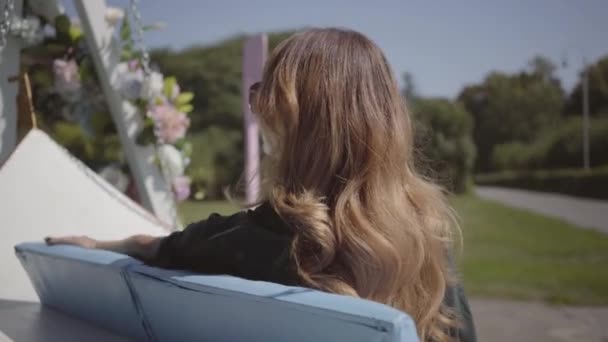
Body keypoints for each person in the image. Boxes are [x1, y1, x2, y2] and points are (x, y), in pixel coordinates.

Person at [46, 28, 476, 342]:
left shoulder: (258, 239)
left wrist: (102, 246)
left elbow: (164, 247)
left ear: (290, 123)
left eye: (262, 95)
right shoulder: (428, 236)